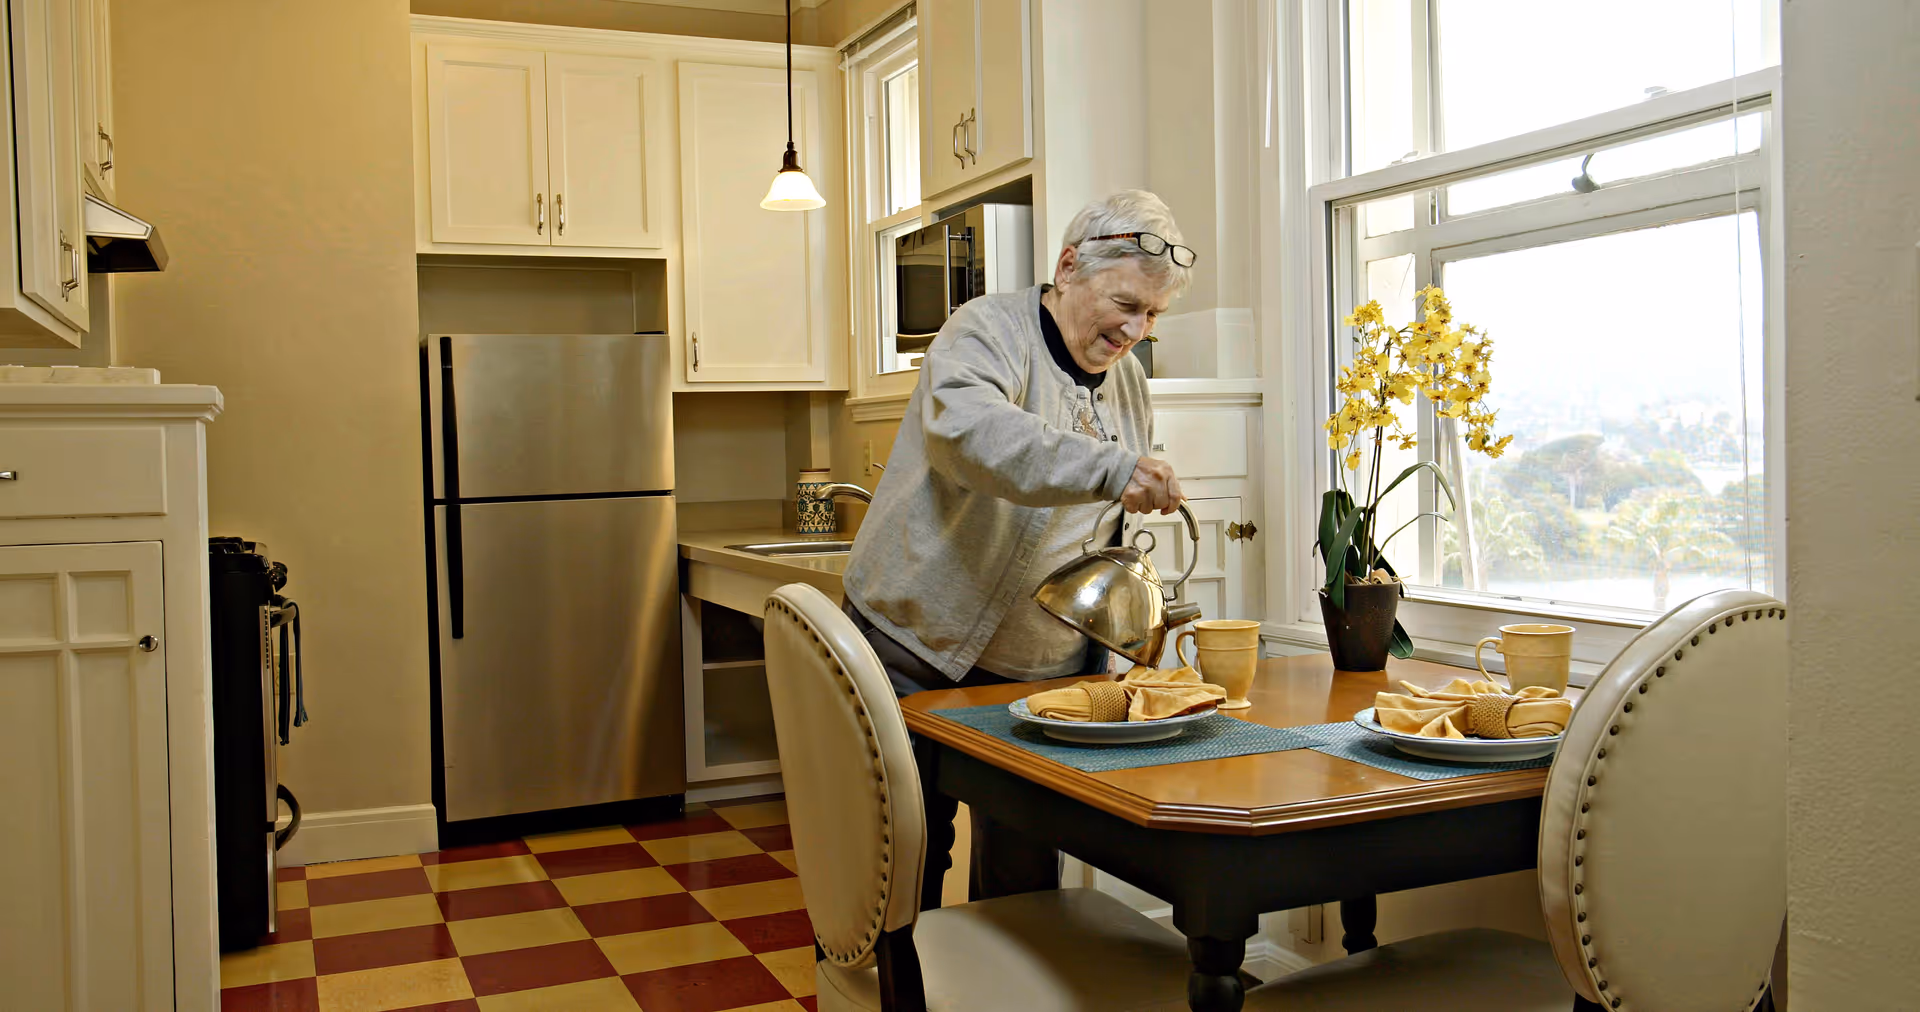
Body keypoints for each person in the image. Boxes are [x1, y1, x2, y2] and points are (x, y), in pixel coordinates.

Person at [841, 189, 1195, 907]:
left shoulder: (1128, 379)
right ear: (1069, 267)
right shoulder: (985, 331)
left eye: (1152, 315)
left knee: (1026, 876)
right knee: (901, 858)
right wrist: (1113, 469)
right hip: (913, 647)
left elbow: (1099, 532)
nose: (1135, 329)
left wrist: (1111, 651)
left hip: (1037, 674)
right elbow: (972, 437)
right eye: (1125, 304)